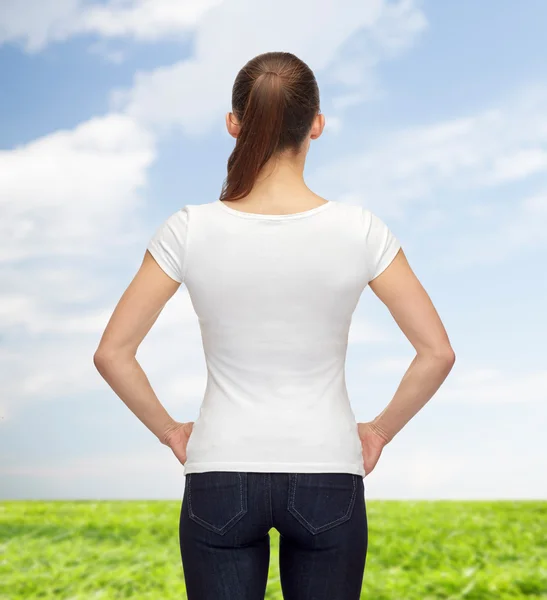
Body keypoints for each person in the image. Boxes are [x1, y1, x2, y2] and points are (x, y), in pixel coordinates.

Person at [93, 51, 456, 600]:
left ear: (233, 124)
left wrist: (172, 430)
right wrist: (377, 432)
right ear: (316, 124)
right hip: (329, 474)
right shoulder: (360, 230)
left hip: (219, 473)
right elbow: (437, 352)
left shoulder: (188, 229)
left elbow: (112, 353)